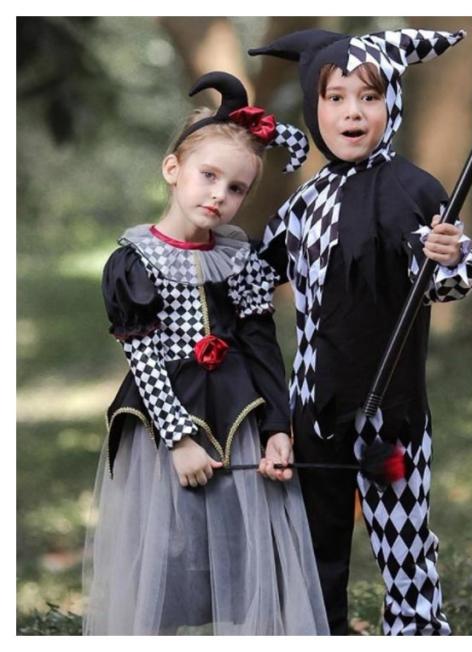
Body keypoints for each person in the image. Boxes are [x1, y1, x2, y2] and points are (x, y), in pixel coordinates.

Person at [249, 28, 472, 635]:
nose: (352, 112)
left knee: (405, 552)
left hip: (390, 420)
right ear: (314, 106)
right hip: (312, 415)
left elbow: (446, 278)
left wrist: (451, 257)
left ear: (392, 103)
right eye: (335, 98)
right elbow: (251, 280)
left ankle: (416, 631)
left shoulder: (414, 190)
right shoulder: (304, 204)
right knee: (313, 550)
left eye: (369, 97)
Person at [82, 71, 328, 636]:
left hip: (237, 414)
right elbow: (144, 359)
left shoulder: (239, 259)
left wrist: (277, 427)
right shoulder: (135, 260)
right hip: (165, 425)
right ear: (173, 169)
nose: (220, 195)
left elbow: (261, 345)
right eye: (208, 176)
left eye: (236, 188)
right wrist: (178, 440)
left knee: (242, 544)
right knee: (169, 547)